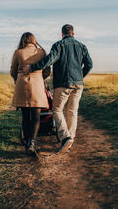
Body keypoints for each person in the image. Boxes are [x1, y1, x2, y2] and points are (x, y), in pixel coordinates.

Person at [22, 24, 93, 153]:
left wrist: (32, 68)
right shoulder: (82, 46)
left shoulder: (59, 45)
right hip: (78, 84)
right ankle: (69, 141)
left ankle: (65, 137)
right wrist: (80, 76)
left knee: (57, 109)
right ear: (73, 34)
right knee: (72, 111)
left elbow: (50, 60)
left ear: (62, 34)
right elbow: (89, 64)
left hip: (63, 84)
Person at [10, 32, 50, 155]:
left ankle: (27, 142)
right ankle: (32, 143)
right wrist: (41, 77)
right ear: (33, 40)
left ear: (23, 40)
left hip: (22, 85)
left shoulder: (18, 52)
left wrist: (18, 79)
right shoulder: (41, 52)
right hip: (37, 85)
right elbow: (47, 69)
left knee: (26, 116)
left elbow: (13, 70)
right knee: (36, 116)